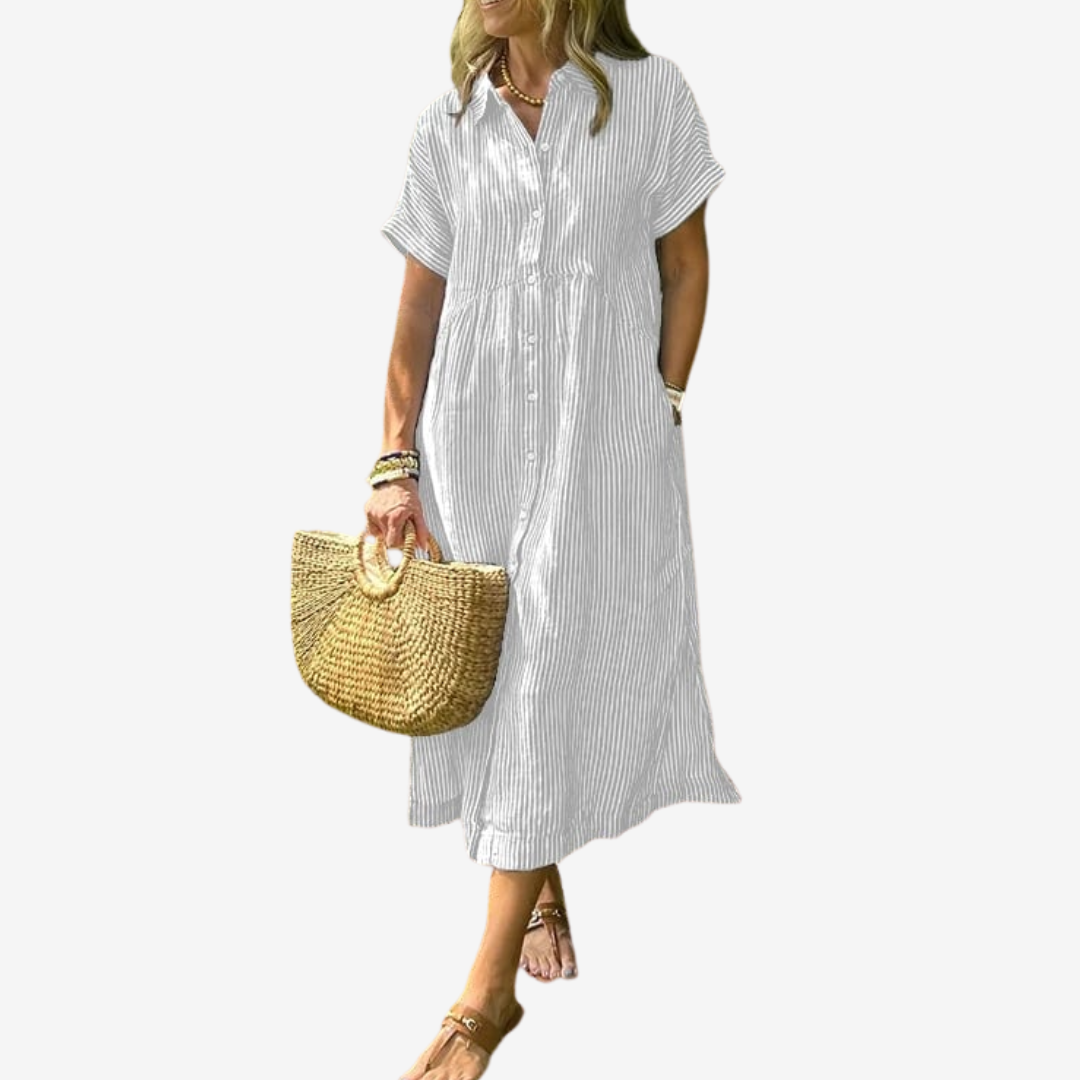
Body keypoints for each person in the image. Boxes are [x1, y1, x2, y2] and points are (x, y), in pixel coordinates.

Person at [365, 1, 742, 1076]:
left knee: (550, 670)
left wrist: (661, 403)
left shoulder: (652, 98)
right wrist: (394, 460)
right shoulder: (447, 127)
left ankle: (485, 996)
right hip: (475, 449)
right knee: (503, 683)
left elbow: (686, 267)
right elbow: (417, 315)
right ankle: (540, 879)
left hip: (598, 453)